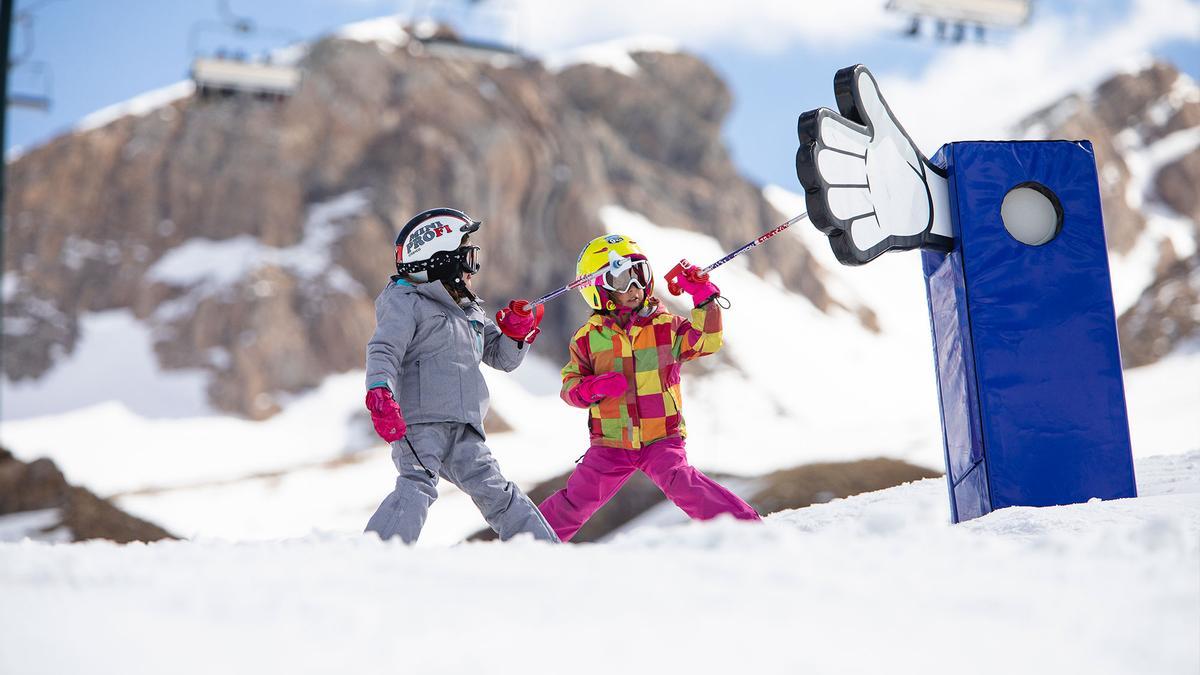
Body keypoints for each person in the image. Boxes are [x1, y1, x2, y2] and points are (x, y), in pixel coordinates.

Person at [538, 234, 761, 541]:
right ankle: (528, 542)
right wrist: (592, 388)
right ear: (597, 289)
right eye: (621, 280)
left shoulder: (666, 326)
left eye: (639, 275)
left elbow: (707, 340)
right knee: (578, 498)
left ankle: (748, 530)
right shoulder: (587, 338)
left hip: (661, 437)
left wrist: (703, 295)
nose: (634, 288)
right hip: (611, 443)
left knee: (682, 482)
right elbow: (570, 386)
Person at [363, 207, 558, 544]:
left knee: (496, 490)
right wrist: (380, 391)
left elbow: (500, 358)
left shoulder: (468, 310)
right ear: (440, 262)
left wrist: (515, 333)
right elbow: (384, 349)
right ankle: (376, 553)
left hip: (465, 427)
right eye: (467, 259)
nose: (473, 270)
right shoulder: (406, 303)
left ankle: (544, 550)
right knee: (417, 484)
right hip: (420, 423)